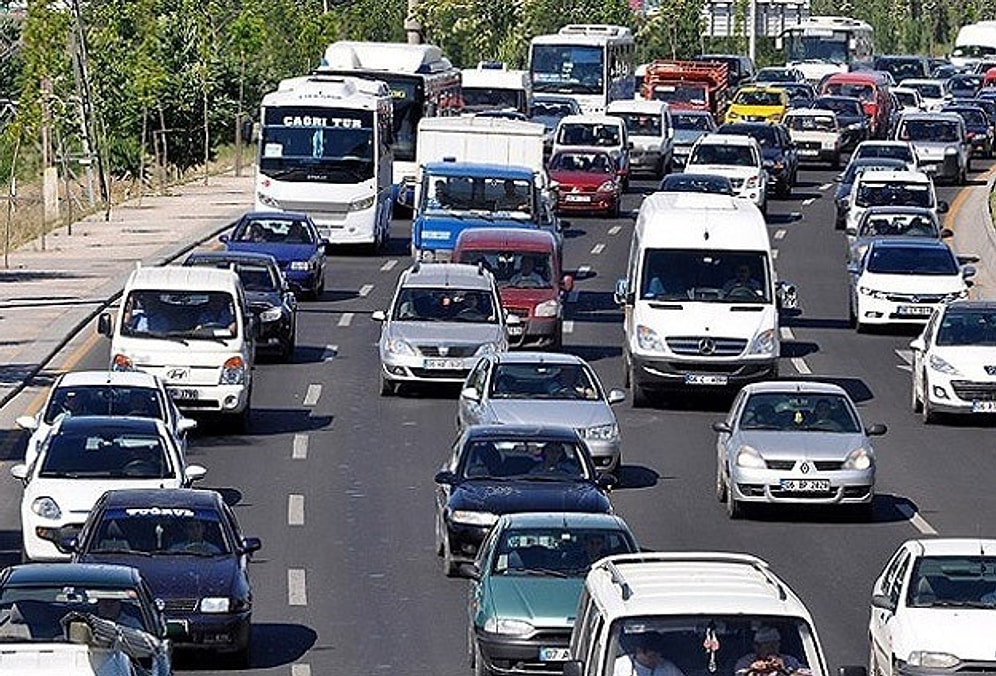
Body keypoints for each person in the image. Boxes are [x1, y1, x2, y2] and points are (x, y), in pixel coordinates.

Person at [734, 627, 808, 676]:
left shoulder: (789, 660)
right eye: (768, 646)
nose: (773, 649)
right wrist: (753, 670)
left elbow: (807, 673)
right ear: (757, 647)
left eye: (775, 645)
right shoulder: (746, 661)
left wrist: (784, 670)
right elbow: (739, 673)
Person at [614, 631, 687, 676]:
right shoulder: (618, 666)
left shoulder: (668, 668)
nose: (657, 659)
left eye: (659, 655)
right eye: (652, 656)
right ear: (639, 651)